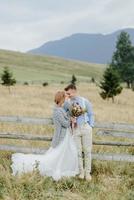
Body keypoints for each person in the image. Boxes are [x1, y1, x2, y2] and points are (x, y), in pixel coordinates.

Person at [11, 91, 79, 181]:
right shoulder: (57, 112)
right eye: (64, 98)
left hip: (65, 136)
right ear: (61, 99)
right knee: (55, 156)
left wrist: (69, 101)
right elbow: (65, 124)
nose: (65, 100)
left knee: (66, 153)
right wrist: (70, 119)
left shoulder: (61, 109)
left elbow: (69, 108)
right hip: (62, 137)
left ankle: (63, 167)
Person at [64, 84, 94, 181]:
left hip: (85, 128)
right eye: (67, 94)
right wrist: (70, 118)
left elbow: (91, 114)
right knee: (78, 151)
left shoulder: (85, 101)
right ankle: (81, 172)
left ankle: (87, 173)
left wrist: (90, 125)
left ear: (74, 91)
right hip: (75, 129)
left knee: (87, 151)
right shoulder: (67, 103)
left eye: (69, 93)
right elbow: (63, 114)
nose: (68, 95)